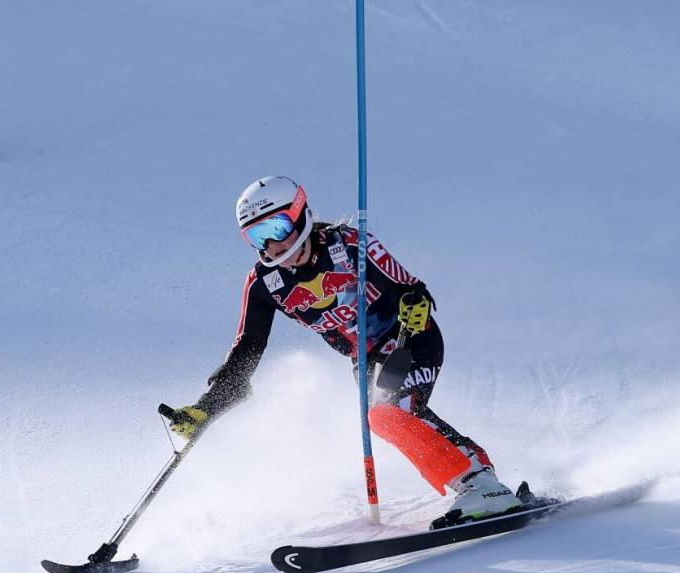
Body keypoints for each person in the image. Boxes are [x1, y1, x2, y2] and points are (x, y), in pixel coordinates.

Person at [169, 176, 523, 525]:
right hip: (367, 361)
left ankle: (479, 483)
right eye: (256, 236)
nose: (271, 246)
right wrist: (208, 407)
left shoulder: (351, 245)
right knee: (386, 418)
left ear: (298, 214)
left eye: (275, 228)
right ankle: (477, 479)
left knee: (390, 413)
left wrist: (415, 303)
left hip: (409, 340)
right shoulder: (264, 283)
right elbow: (247, 349)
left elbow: (410, 289)